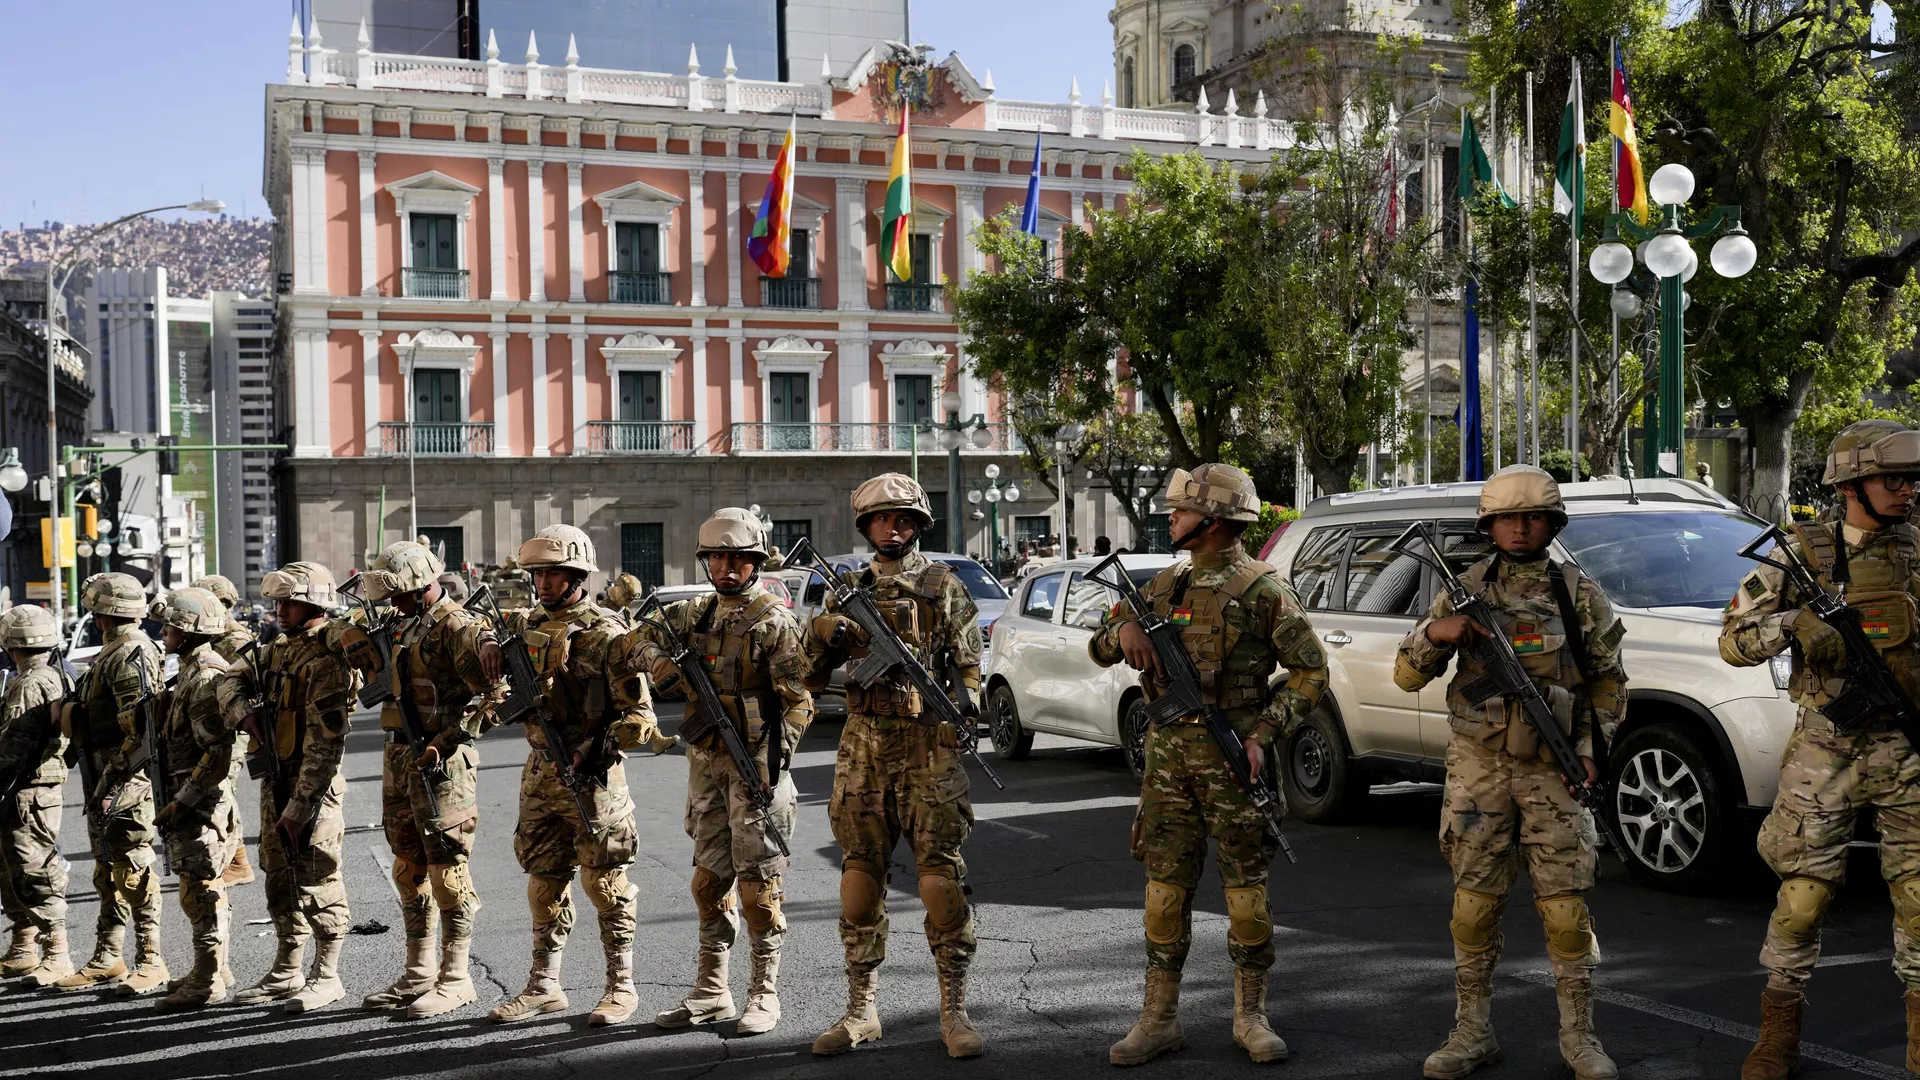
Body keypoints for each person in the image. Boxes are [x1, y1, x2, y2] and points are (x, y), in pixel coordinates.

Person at [1089, 463, 1328, 1067]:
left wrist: (1265, 733)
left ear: (1215, 520)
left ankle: (1251, 1016)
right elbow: (1098, 645)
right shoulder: (1162, 586)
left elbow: (1311, 671)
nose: (1172, 517)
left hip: (1235, 759)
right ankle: (1159, 1018)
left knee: (1246, 896)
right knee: (1164, 895)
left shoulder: (1262, 589)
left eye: (1183, 510)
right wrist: (1125, 636)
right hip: (1169, 761)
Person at [1394, 464, 1628, 1080]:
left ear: (1551, 523)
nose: (1520, 530)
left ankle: (1580, 1038)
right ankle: (1471, 1032)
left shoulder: (1578, 593)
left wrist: (1588, 749)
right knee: (1473, 907)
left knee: (1565, 911)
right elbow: (1406, 676)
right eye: (1507, 518)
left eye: (1532, 518)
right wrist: (1435, 635)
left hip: (1554, 768)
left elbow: (1608, 684)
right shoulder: (1461, 588)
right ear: (1488, 525)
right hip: (1480, 766)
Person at [1720, 420, 1920, 1079]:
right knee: (1803, 897)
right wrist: (1792, 623)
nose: (1907, 489)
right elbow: (1732, 642)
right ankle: (1777, 1034)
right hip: (1825, 749)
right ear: (1851, 481)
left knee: (1919, 898)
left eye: (1912, 478)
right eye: (1893, 477)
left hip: (1907, 747)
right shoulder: (1800, 555)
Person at [801, 473, 985, 1058]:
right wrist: (824, 631)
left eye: (904, 518)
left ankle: (953, 1011)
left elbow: (970, 666)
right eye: (882, 518)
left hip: (929, 746)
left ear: (918, 525)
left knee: (940, 883)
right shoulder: (846, 588)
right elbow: (806, 674)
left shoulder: (942, 585)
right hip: (863, 750)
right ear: (866, 525)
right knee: (859, 882)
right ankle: (861, 1010)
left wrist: (967, 710)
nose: (894, 527)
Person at [631, 508, 814, 1035]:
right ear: (706, 561)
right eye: (718, 557)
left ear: (755, 562)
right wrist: (655, 659)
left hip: (756, 766)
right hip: (707, 764)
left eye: (739, 558)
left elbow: (798, 702)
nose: (727, 568)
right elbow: (634, 639)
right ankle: (712, 991)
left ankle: (764, 992)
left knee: (760, 888)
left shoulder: (773, 621)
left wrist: (773, 764)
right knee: (709, 881)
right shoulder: (692, 615)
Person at [480, 524, 662, 1026]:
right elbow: (480, 636)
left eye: (554, 572)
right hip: (541, 772)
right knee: (543, 879)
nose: (543, 581)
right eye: (537, 572)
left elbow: (640, 718)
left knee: (605, 882)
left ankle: (620, 986)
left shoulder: (608, 634)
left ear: (578, 574)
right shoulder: (522, 624)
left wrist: (596, 746)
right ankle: (543, 984)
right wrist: (491, 645)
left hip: (594, 777)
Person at [358, 541, 503, 1018]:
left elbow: (494, 695)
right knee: (408, 866)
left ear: (422, 585)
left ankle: (456, 977)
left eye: (397, 593)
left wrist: (450, 737)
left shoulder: (457, 627)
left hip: (441, 764)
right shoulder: (404, 623)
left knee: (448, 871)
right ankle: (418, 972)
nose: (390, 603)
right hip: (400, 755)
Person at [234, 562, 371, 1013]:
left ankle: (327, 975)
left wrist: (301, 805)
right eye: (277, 602)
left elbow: (326, 746)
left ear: (313, 602)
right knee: (279, 879)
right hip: (276, 780)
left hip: (312, 788)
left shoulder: (326, 659)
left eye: (289, 602)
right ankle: (287, 969)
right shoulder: (278, 650)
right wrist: (243, 712)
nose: (279, 609)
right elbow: (230, 679)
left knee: (319, 879)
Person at [54, 573, 168, 995]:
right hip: (102, 775)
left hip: (123, 778)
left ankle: (151, 960)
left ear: (102, 611)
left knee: (133, 870)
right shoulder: (112, 651)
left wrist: (113, 781)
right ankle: (108, 956)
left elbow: (139, 729)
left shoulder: (131, 653)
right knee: (107, 869)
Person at [147, 588, 245, 1011]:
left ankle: (207, 981)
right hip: (192, 797)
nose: (164, 630)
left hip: (200, 801)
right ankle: (212, 969)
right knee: (197, 888)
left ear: (190, 631)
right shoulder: (190, 668)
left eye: (172, 624)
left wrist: (182, 801)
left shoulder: (205, 676)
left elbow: (218, 752)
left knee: (202, 890)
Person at [0, 605, 72, 987]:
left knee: (35, 872)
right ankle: (24, 946)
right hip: (31, 788)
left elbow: (14, 750)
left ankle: (57, 953)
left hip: (28, 790)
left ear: (11, 643)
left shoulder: (30, 683)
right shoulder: (51, 674)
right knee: (14, 871)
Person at [193, 574, 257, 889]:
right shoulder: (215, 634)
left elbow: (253, 683)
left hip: (235, 727)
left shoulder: (234, 639)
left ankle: (237, 861)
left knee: (223, 792)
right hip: (220, 724)